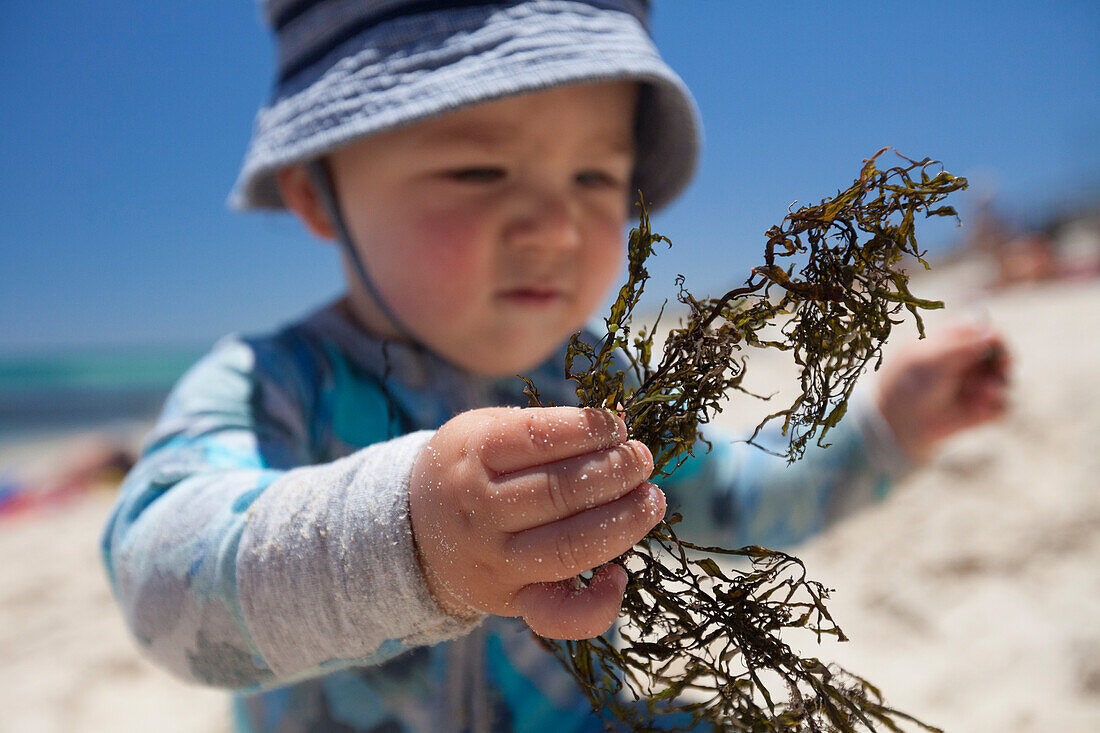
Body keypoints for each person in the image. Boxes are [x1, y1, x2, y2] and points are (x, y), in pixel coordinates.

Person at [100, 2, 1010, 731]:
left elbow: (732, 502)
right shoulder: (270, 385)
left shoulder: (603, 387)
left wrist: (887, 431)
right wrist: (408, 538)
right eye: (478, 171)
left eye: (593, 179)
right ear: (317, 190)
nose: (553, 225)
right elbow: (160, 579)